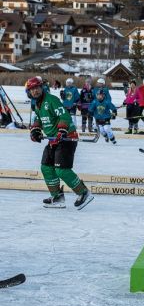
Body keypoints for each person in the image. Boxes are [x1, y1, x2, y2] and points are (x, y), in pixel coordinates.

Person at [26, 76, 94, 210]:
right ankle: (57, 197)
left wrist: (62, 130)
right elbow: (40, 119)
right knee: (46, 167)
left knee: (61, 170)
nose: (35, 91)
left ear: (42, 88)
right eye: (32, 89)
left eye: (37, 88)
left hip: (66, 138)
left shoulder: (52, 100)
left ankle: (83, 192)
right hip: (53, 140)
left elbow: (65, 116)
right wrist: (35, 130)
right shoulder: (37, 104)